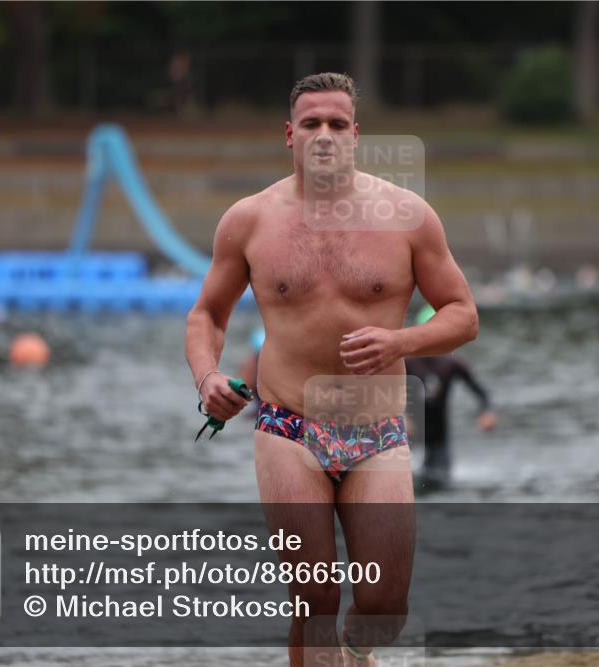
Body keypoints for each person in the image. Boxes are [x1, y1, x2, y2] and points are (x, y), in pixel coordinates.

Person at [185, 72, 478, 667]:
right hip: (287, 426)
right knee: (315, 596)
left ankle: (355, 656)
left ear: (355, 136)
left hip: (377, 431)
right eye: (311, 124)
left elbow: (463, 315)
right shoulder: (249, 220)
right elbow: (206, 315)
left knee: (383, 603)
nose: (324, 135)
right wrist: (208, 377)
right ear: (289, 135)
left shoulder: (408, 216)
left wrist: (399, 340)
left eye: (337, 124)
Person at [405, 306, 497, 492]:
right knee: (401, 482)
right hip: (409, 434)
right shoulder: (406, 363)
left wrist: (486, 412)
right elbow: (382, 392)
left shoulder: (452, 364)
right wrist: (400, 417)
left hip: (439, 436)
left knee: (439, 482)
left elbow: (482, 393)